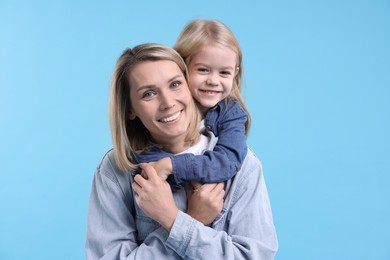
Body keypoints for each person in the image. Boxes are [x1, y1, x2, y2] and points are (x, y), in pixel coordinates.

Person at [85, 43, 278, 259]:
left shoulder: (242, 165)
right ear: (130, 109)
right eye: (148, 94)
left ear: (189, 85)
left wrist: (174, 220)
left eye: (175, 84)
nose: (167, 103)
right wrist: (191, 218)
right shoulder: (115, 170)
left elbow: (253, 256)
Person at [140, 19, 250, 188]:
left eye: (224, 72)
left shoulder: (231, 113)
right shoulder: (166, 111)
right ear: (182, 67)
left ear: (235, 72)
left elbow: (227, 163)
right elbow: (145, 165)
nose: (213, 81)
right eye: (203, 70)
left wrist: (172, 165)